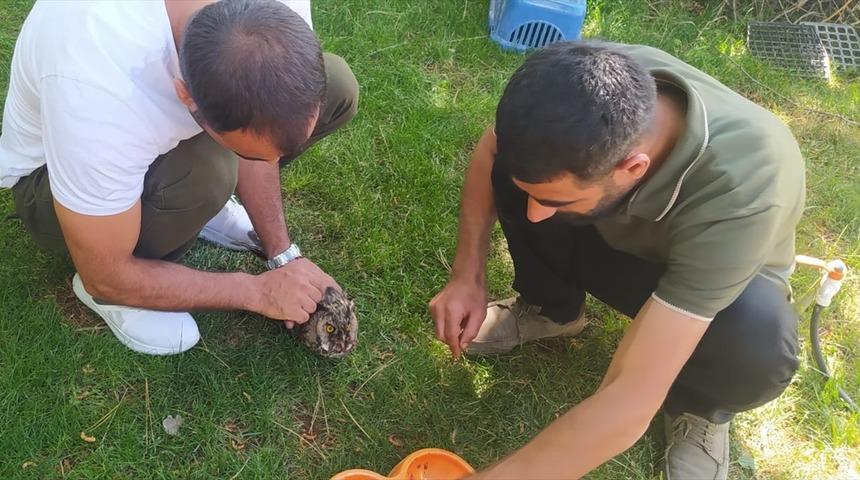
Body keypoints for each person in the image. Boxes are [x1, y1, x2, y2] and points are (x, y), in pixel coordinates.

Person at [429, 40, 803, 479]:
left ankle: (699, 409)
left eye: (551, 200)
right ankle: (552, 311)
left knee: (758, 337)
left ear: (633, 167)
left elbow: (628, 397)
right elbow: (493, 149)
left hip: (709, 291)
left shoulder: (746, 191)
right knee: (523, 181)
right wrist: (467, 275)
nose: (532, 216)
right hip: (615, 236)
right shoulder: (577, 80)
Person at [0, 0, 358, 355]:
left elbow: (263, 119)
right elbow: (106, 273)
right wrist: (256, 291)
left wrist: (282, 254)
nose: (274, 165)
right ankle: (121, 298)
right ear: (186, 96)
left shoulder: (279, 11)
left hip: (137, 135)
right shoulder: (96, 84)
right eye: (251, 155)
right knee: (208, 174)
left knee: (337, 85)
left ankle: (196, 208)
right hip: (51, 185)